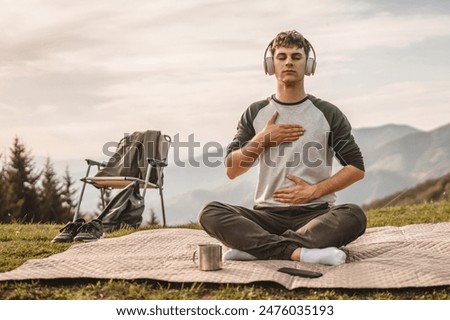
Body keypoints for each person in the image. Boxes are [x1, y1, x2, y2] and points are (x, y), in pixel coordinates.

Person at [198, 30, 367, 266]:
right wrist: (261, 140)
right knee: (210, 212)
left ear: (308, 65)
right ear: (271, 64)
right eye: (282, 56)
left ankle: (258, 249)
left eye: (296, 57)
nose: (288, 62)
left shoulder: (328, 113)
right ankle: (301, 252)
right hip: (265, 215)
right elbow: (232, 170)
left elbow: (356, 168)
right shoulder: (255, 112)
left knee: (354, 215)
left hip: (316, 214)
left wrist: (314, 191)